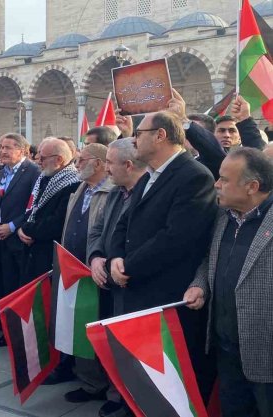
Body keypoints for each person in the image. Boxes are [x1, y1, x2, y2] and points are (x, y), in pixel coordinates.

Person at [108, 111, 217, 395]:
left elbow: (175, 239)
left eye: (139, 133)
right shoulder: (149, 177)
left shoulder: (194, 176)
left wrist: (128, 266)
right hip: (138, 290)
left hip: (167, 297)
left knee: (173, 384)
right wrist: (115, 258)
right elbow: (123, 223)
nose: (133, 138)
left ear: (160, 135)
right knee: (144, 380)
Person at [184, 148, 273, 417]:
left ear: (252, 187)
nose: (216, 184)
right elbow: (210, 258)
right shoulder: (224, 216)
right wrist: (200, 284)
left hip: (265, 350)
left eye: (224, 179)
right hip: (226, 347)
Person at [87, 138, 147, 417]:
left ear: (129, 164)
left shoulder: (146, 194)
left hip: (132, 286)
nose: (106, 169)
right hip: (106, 284)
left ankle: (132, 402)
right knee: (112, 345)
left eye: (110, 163)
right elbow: (97, 231)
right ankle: (117, 395)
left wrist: (119, 265)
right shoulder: (114, 193)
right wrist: (96, 257)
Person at [59, 144, 115, 404]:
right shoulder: (81, 187)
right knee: (78, 328)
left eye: (83, 160)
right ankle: (89, 382)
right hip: (73, 271)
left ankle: (109, 388)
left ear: (101, 164)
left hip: (98, 273)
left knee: (99, 331)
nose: (77, 164)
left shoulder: (113, 190)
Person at [0, 133, 40, 348]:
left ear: (22, 150)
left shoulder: (33, 172)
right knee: (7, 286)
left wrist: (11, 227)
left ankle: (23, 337)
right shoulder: (2, 172)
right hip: (2, 239)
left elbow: (32, 206)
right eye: (1, 147)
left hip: (19, 240)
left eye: (8, 147)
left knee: (21, 289)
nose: (3, 151)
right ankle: (8, 332)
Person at [19, 138, 81, 284]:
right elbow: (33, 207)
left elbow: (56, 223)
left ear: (59, 159)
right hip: (33, 250)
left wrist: (27, 229)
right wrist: (21, 228)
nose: (38, 161)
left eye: (42, 158)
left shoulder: (73, 184)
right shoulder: (45, 177)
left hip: (50, 255)